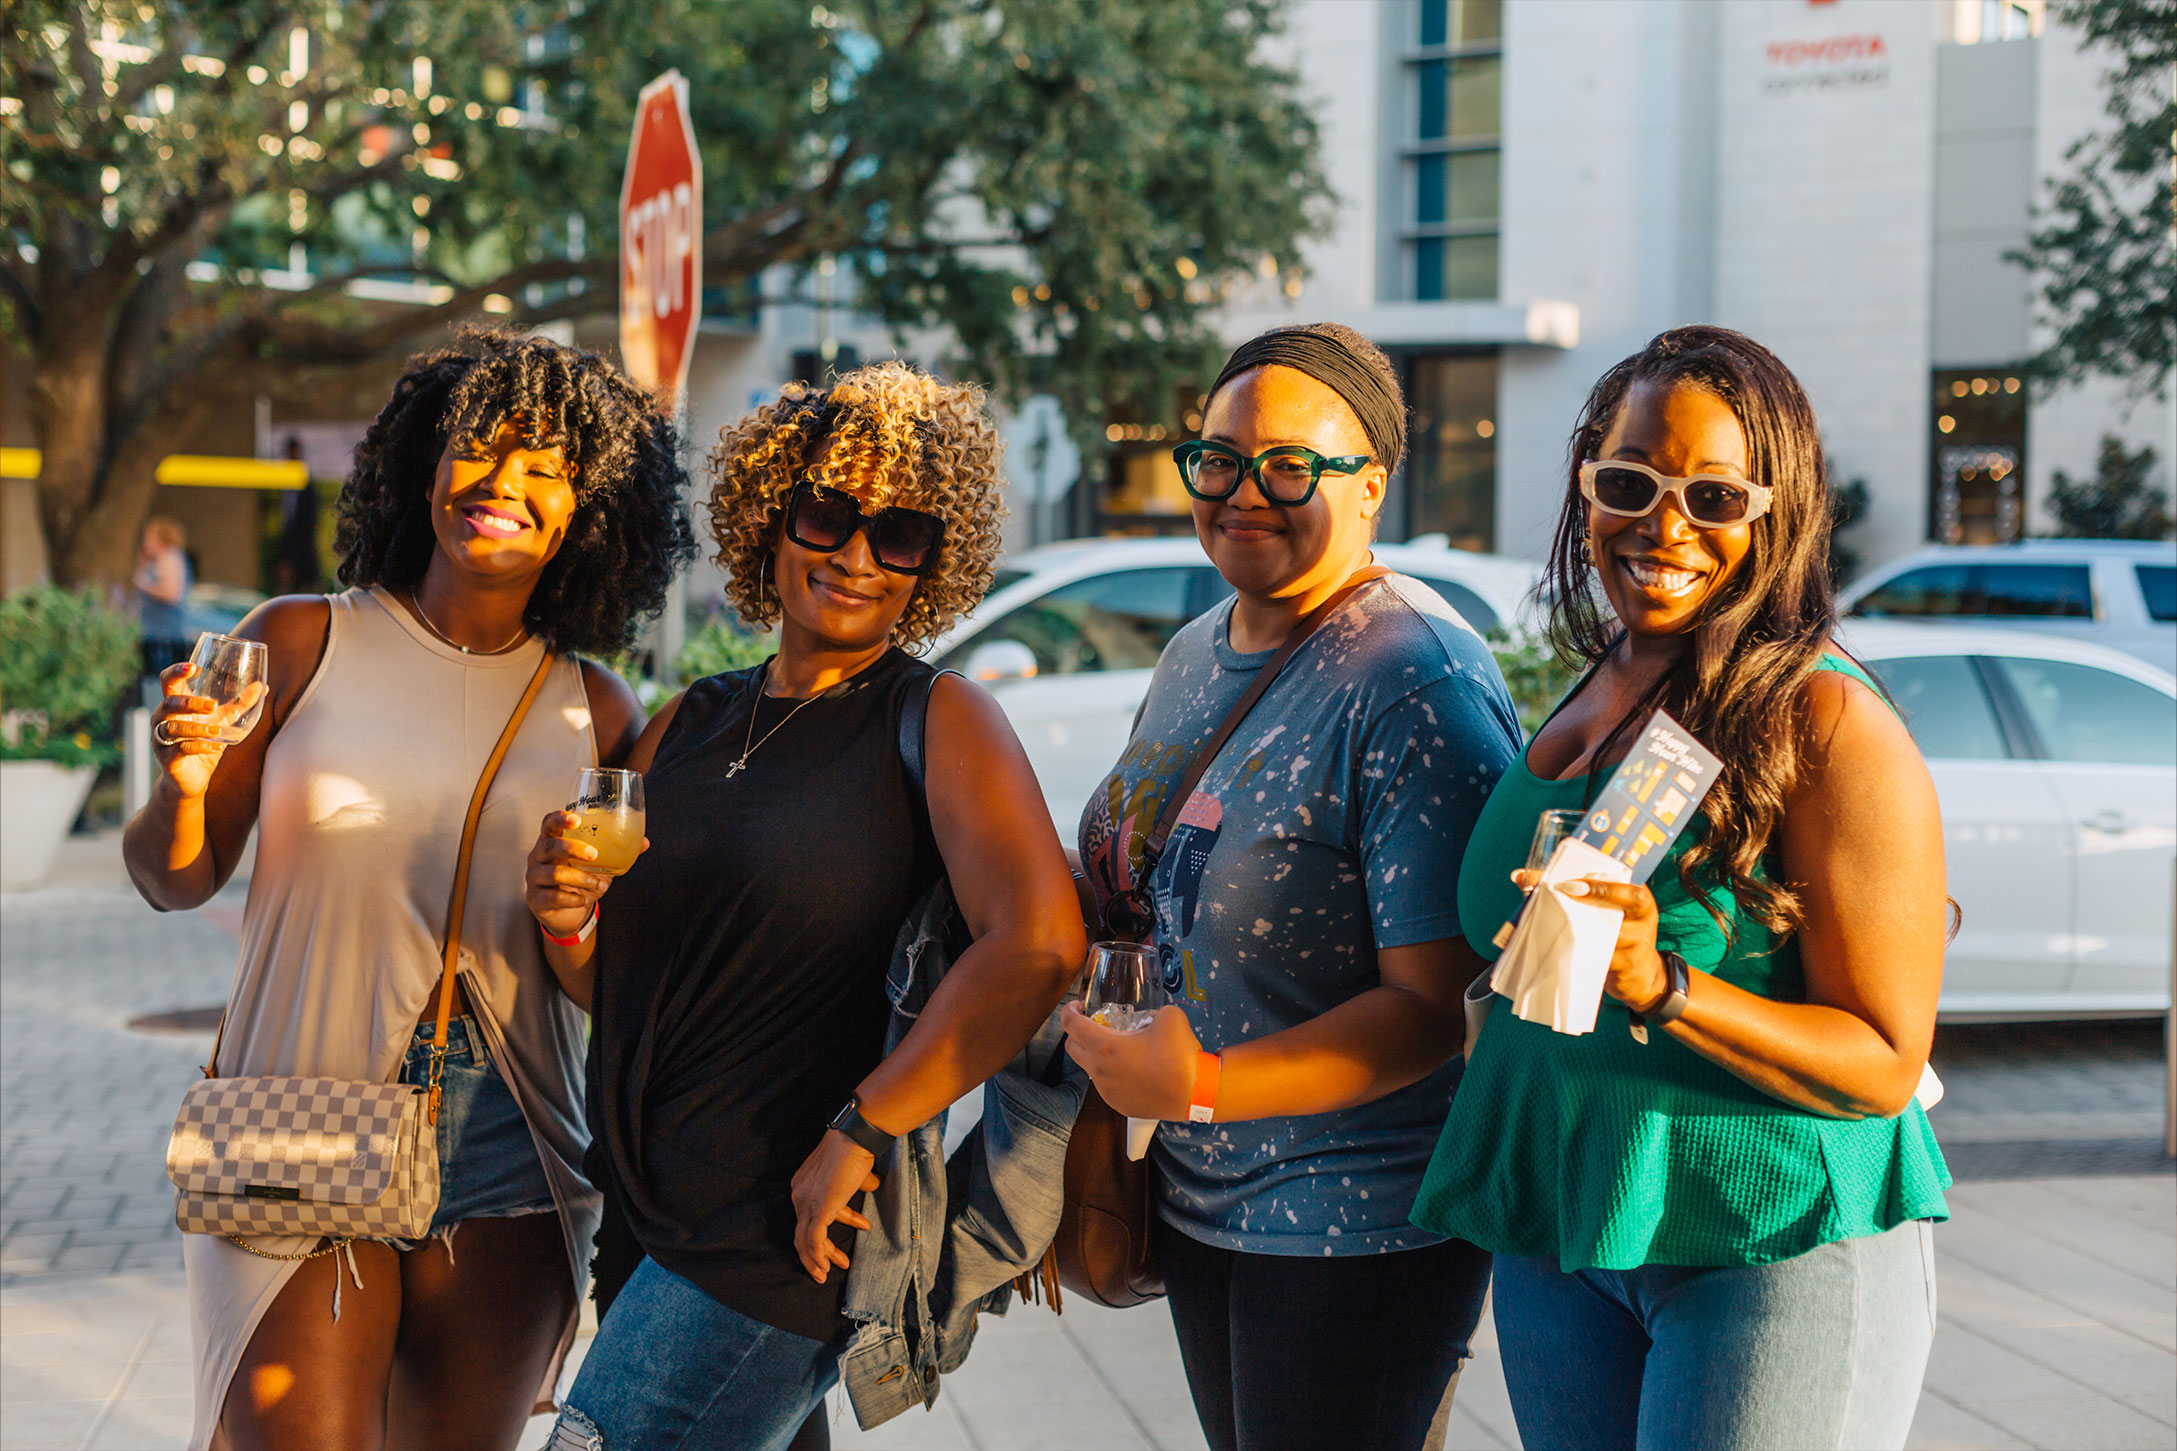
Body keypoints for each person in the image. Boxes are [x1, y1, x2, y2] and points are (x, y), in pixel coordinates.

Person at [123, 327, 696, 1451]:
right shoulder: (299, 640)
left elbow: (607, 985)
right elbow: (170, 878)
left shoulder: (602, 710)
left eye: (546, 471)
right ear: (422, 462)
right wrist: (182, 784)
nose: (503, 485)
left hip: (513, 1148)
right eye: (479, 447)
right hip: (298, 1120)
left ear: (592, 512)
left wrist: (574, 910)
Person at [1410, 325, 1953, 1451]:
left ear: (1777, 512)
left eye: (1712, 495)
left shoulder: (1826, 720)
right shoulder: (1595, 684)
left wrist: (1663, 983)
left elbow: (1884, 1055)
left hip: (1762, 1240)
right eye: (1628, 482)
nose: (1663, 525)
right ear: (1584, 489)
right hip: (1566, 1229)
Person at [533, 361, 1085, 1451]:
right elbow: (623, 983)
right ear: (770, 513)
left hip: (779, 1224)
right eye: (827, 512)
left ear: (933, 563)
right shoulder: (685, 720)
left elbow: (1039, 945)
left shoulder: (938, 720)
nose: (853, 553)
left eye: (900, 535)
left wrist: (864, 1124)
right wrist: (566, 917)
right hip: (640, 1210)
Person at [1061, 322, 1521, 1451]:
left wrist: (1206, 1081)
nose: (1242, 492)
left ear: (1369, 484)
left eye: (1287, 466)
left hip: (1355, 1226)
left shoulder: (1413, 678)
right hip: (1200, 1195)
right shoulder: (1193, 650)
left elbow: (1437, 1005)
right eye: (1215, 458)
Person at [136, 515, 194, 683]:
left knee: (160, 682)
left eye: (149, 537)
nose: (145, 541)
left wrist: (143, 585)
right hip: (156, 633)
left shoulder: (170, 558)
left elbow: (171, 594)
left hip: (164, 636)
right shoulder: (161, 559)